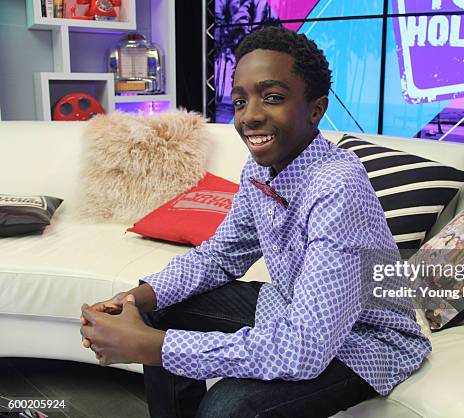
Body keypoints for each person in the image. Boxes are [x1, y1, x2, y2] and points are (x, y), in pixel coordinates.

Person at [78, 27, 431, 418]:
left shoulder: (338, 187)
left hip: (365, 341)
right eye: (240, 101)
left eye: (273, 98)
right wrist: (131, 299)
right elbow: (220, 256)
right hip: (291, 306)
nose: (251, 116)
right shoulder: (259, 170)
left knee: (228, 407)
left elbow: (305, 348)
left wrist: (151, 346)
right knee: (158, 308)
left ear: (316, 109)